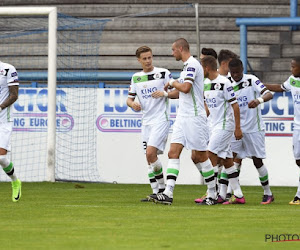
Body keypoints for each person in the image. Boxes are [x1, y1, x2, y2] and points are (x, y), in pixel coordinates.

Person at [150, 38, 217, 205]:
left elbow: (185, 88)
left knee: (201, 156)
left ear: (181, 48)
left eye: (173, 50)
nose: (172, 53)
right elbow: (182, 92)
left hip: (194, 117)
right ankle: (168, 193)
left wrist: (172, 82)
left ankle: (213, 194)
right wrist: (167, 92)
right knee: (173, 153)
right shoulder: (187, 67)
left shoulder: (193, 64)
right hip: (182, 116)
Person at [127, 46, 177, 202]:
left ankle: (163, 190)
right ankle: (156, 191)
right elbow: (129, 99)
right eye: (145, 58)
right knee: (149, 159)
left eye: (150, 57)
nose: (148, 61)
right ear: (139, 60)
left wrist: (165, 93)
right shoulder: (136, 77)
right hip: (146, 122)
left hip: (161, 119)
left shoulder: (163, 73)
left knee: (150, 153)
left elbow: (179, 92)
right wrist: (132, 104)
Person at [228, 58, 274, 205]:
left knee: (257, 161)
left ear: (242, 70)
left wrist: (259, 100)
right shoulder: (227, 83)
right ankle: (233, 193)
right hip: (236, 128)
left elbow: (269, 94)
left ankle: (268, 193)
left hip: (254, 128)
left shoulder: (251, 79)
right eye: (233, 72)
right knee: (232, 160)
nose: (235, 75)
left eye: (237, 72)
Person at [201, 56, 245, 204]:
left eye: (202, 68)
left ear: (207, 68)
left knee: (210, 154)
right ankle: (238, 195)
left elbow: (235, 105)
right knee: (227, 161)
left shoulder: (224, 82)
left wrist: (237, 128)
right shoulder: (206, 83)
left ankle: (212, 194)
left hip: (225, 125)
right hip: (213, 126)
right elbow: (208, 105)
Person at [265, 57, 300, 205]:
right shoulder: (292, 80)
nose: (291, 69)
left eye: (293, 67)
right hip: (297, 127)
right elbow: (281, 87)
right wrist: (262, 85)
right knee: (298, 160)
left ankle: (299, 195)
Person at [0, 60, 22, 202]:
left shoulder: (8, 69)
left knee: (1, 158)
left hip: (4, 120)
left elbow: (14, 95)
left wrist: (0, 107)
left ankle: (15, 181)